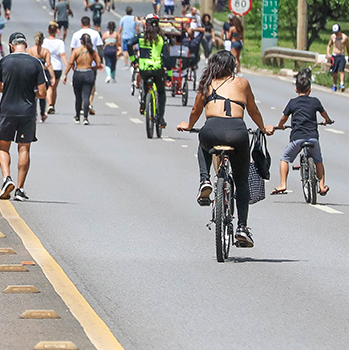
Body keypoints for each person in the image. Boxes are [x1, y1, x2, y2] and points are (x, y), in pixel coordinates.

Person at [177, 50, 275, 248]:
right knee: (241, 181)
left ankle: (205, 180)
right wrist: (264, 128)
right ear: (232, 66)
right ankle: (242, 227)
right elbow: (253, 110)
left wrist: (188, 125)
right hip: (238, 133)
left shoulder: (206, 84)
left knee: (203, 143)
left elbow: (196, 111)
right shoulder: (243, 83)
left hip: (211, 131)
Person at [0, 32, 48, 201]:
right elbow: (43, 92)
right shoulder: (36, 63)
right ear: (25, 44)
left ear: (11, 45)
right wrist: (29, 93)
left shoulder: (4, 61)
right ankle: (20, 189)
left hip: (7, 110)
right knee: (24, 148)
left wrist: (10, 89)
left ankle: (6, 178)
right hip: (27, 111)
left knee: (3, 147)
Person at [273, 70, 333, 196]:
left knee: (284, 158)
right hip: (313, 138)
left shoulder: (292, 102)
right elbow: (324, 114)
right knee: (318, 161)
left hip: (297, 138)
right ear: (310, 89)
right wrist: (327, 121)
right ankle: (321, 185)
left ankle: (283, 183)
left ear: (296, 89)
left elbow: (284, 118)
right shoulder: (315, 101)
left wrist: (280, 126)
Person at [135, 16, 167, 130]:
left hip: (144, 69)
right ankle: (161, 117)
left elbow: (129, 43)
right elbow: (166, 56)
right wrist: (167, 69)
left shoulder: (141, 37)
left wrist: (134, 60)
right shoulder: (161, 38)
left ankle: (143, 101)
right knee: (161, 93)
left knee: (145, 83)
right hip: (157, 69)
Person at [63, 32, 102, 124]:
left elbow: (70, 63)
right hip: (89, 73)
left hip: (78, 73)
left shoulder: (76, 51)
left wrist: (65, 74)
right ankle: (85, 117)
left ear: (81, 41)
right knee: (86, 96)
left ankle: (77, 116)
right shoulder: (92, 52)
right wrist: (93, 68)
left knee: (78, 96)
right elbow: (99, 63)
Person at [40, 23, 65, 115]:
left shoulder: (45, 42)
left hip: (47, 66)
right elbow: (63, 55)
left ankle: (50, 104)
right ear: (56, 31)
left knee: (49, 87)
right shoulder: (60, 42)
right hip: (58, 67)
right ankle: (52, 105)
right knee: (54, 88)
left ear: (48, 31)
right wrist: (68, 66)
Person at [327, 23, 349, 92]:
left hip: (341, 55)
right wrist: (328, 54)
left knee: (341, 70)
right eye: (335, 33)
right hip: (334, 56)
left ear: (340, 30)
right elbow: (329, 45)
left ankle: (342, 84)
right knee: (334, 72)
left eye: (337, 32)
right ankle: (334, 85)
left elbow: (348, 47)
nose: (336, 34)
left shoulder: (344, 37)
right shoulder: (333, 37)